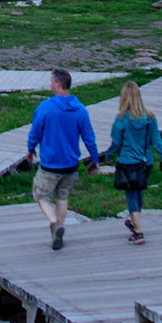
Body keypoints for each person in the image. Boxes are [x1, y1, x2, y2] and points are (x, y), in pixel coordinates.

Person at [23, 67, 98, 251]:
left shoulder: (46, 107)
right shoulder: (80, 110)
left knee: (41, 195)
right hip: (70, 165)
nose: (50, 85)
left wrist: (30, 150)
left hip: (50, 164)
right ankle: (58, 232)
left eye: (51, 82)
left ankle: (54, 223)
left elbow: (35, 132)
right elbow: (89, 138)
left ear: (58, 84)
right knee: (62, 196)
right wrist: (95, 160)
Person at [105, 81, 162, 243]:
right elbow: (157, 141)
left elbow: (116, 143)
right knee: (138, 191)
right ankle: (134, 223)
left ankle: (138, 231)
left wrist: (109, 155)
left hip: (128, 162)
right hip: (145, 162)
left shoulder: (121, 119)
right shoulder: (150, 117)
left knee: (131, 194)